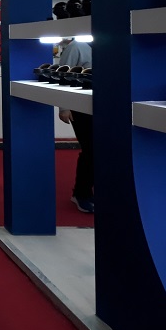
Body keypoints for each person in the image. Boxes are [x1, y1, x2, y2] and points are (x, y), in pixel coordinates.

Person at [57, 37, 94, 213]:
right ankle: (81, 193)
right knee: (91, 149)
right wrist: (64, 107)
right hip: (80, 107)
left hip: (104, 105)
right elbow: (62, 77)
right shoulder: (77, 47)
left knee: (101, 150)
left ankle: (88, 191)